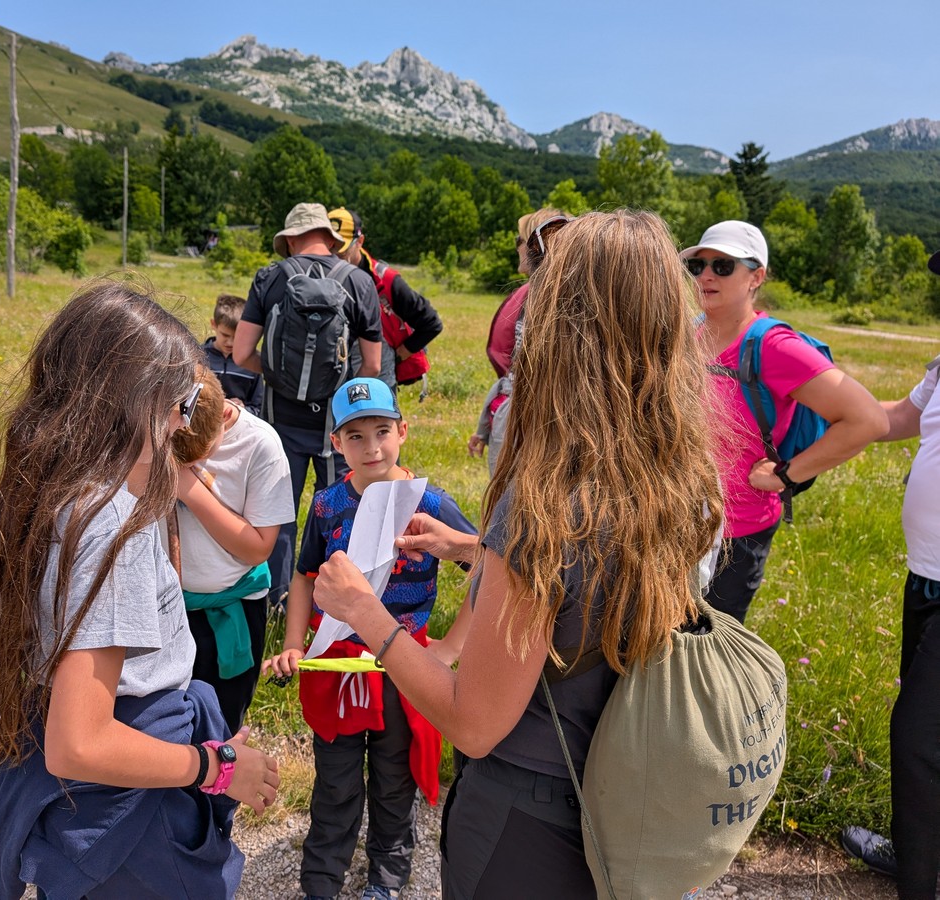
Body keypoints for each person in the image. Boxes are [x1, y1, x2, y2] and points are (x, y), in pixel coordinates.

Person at [310, 211, 726, 896]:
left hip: (532, 817)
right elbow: (590, 584)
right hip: (634, 791)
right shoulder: (686, 472)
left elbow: (471, 722)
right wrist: (476, 549)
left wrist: (361, 610)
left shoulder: (546, 502)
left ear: (558, 329)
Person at [0, 282, 280, 900]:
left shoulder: (57, 492)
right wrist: (213, 768)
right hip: (129, 820)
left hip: (89, 810)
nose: (183, 429)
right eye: (180, 408)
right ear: (133, 405)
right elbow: (81, 743)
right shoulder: (110, 525)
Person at [263, 376, 476, 900]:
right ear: (336, 444)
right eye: (355, 436)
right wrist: (294, 643)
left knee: (393, 777)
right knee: (334, 780)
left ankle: (386, 877)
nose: (372, 446)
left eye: (382, 430)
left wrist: (451, 645)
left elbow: (488, 566)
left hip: (405, 667)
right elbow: (305, 576)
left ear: (403, 431)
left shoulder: (430, 501)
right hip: (338, 664)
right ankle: (320, 880)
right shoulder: (328, 505)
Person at [689, 220, 887, 623]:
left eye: (723, 266)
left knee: (706, 655)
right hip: (677, 522)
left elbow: (868, 420)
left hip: (736, 533)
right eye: (698, 265)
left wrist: (786, 475)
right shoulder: (688, 333)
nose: (707, 275)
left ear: (755, 277)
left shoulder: (773, 346)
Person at [841, 250, 940, 898]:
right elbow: (900, 419)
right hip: (923, 577)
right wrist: (821, 412)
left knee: (916, 739)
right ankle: (918, 849)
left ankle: (918, 881)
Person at [233, 202, 383, 606]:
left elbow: (242, 352)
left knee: (277, 514)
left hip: (281, 419)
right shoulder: (359, 281)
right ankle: (332, 605)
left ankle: (277, 600)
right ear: (329, 239)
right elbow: (371, 364)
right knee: (339, 511)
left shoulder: (269, 277)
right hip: (337, 425)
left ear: (291, 239)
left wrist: (278, 378)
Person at [169, 366, 295, 732]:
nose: (192, 466)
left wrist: (187, 487)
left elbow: (259, 549)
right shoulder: (160, 427)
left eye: (201, 456)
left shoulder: (260, 445)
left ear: (225, 413)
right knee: (168, 726)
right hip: (169, 607)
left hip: (234, 608)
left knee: (220, 727)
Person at [469, 208, 567, 474]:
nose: (516, 248)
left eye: (519, 240)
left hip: (526, 424)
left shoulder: (545, 302)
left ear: (536, 246)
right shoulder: (553, 298)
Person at [328, 208, 443, 392]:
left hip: (378, 383)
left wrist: (399, 355)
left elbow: (431, 323)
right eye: (329, 250)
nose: (334, 259)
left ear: (360, 242)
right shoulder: (321, 275)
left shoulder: (386, 280)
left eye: (341, 253)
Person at [202, 294, 263, 416]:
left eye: (236, 337)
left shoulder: (251, 362)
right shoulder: (198, 356)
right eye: (225, 335)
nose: (230, 342)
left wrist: (242, 409)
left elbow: (259, 408)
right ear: (213, 324)